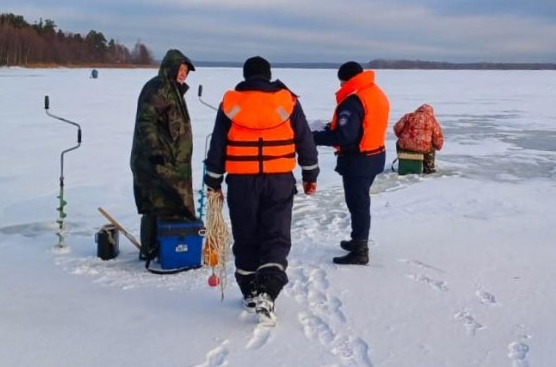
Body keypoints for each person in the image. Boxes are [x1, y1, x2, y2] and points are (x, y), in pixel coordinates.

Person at [203, 56, 319, 325]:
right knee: (275, 236)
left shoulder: (230, 103)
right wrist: (310, 174)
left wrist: (213, 182)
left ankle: (250, 291)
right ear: (268, 76)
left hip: (242, 182)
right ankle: (268, 289)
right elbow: (305, 140)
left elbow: (218, 145)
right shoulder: (287, 101)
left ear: (245, 77)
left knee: (246, 236)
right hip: (279, 180)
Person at [312, 61, 390, 266]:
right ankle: (357, 240)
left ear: (345, 79)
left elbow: (345, 136)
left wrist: (314, 137)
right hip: (374, 156)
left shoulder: (353, 100)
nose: (340, 86)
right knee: (360, 203)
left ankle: (360, 250)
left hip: (359, 161)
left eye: (341, 82)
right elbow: (363, 125)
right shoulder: (374, 92)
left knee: (358, 204)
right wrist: (332, 127)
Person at [130, 48, 197, 258]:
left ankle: (166, 249)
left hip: (172, 161)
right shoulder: (158, 88)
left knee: (169, 205)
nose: (183, 74)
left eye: (186, 71)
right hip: (156, 160)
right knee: (156, 204)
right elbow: (146, 120)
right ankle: (151, 249)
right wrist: (155, 151)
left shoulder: (174, 91)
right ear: (171, 68)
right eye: (181, 69)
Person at [393, 104, 444, 174]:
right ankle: (429, 168)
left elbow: (397, 127)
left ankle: (402, 159)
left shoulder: (408, 116)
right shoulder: (432, 120)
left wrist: (402, 137)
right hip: (424, 148)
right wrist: (438, 146)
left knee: (398, 143)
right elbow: (437, 136)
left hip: (406, 146)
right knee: (431, 148)